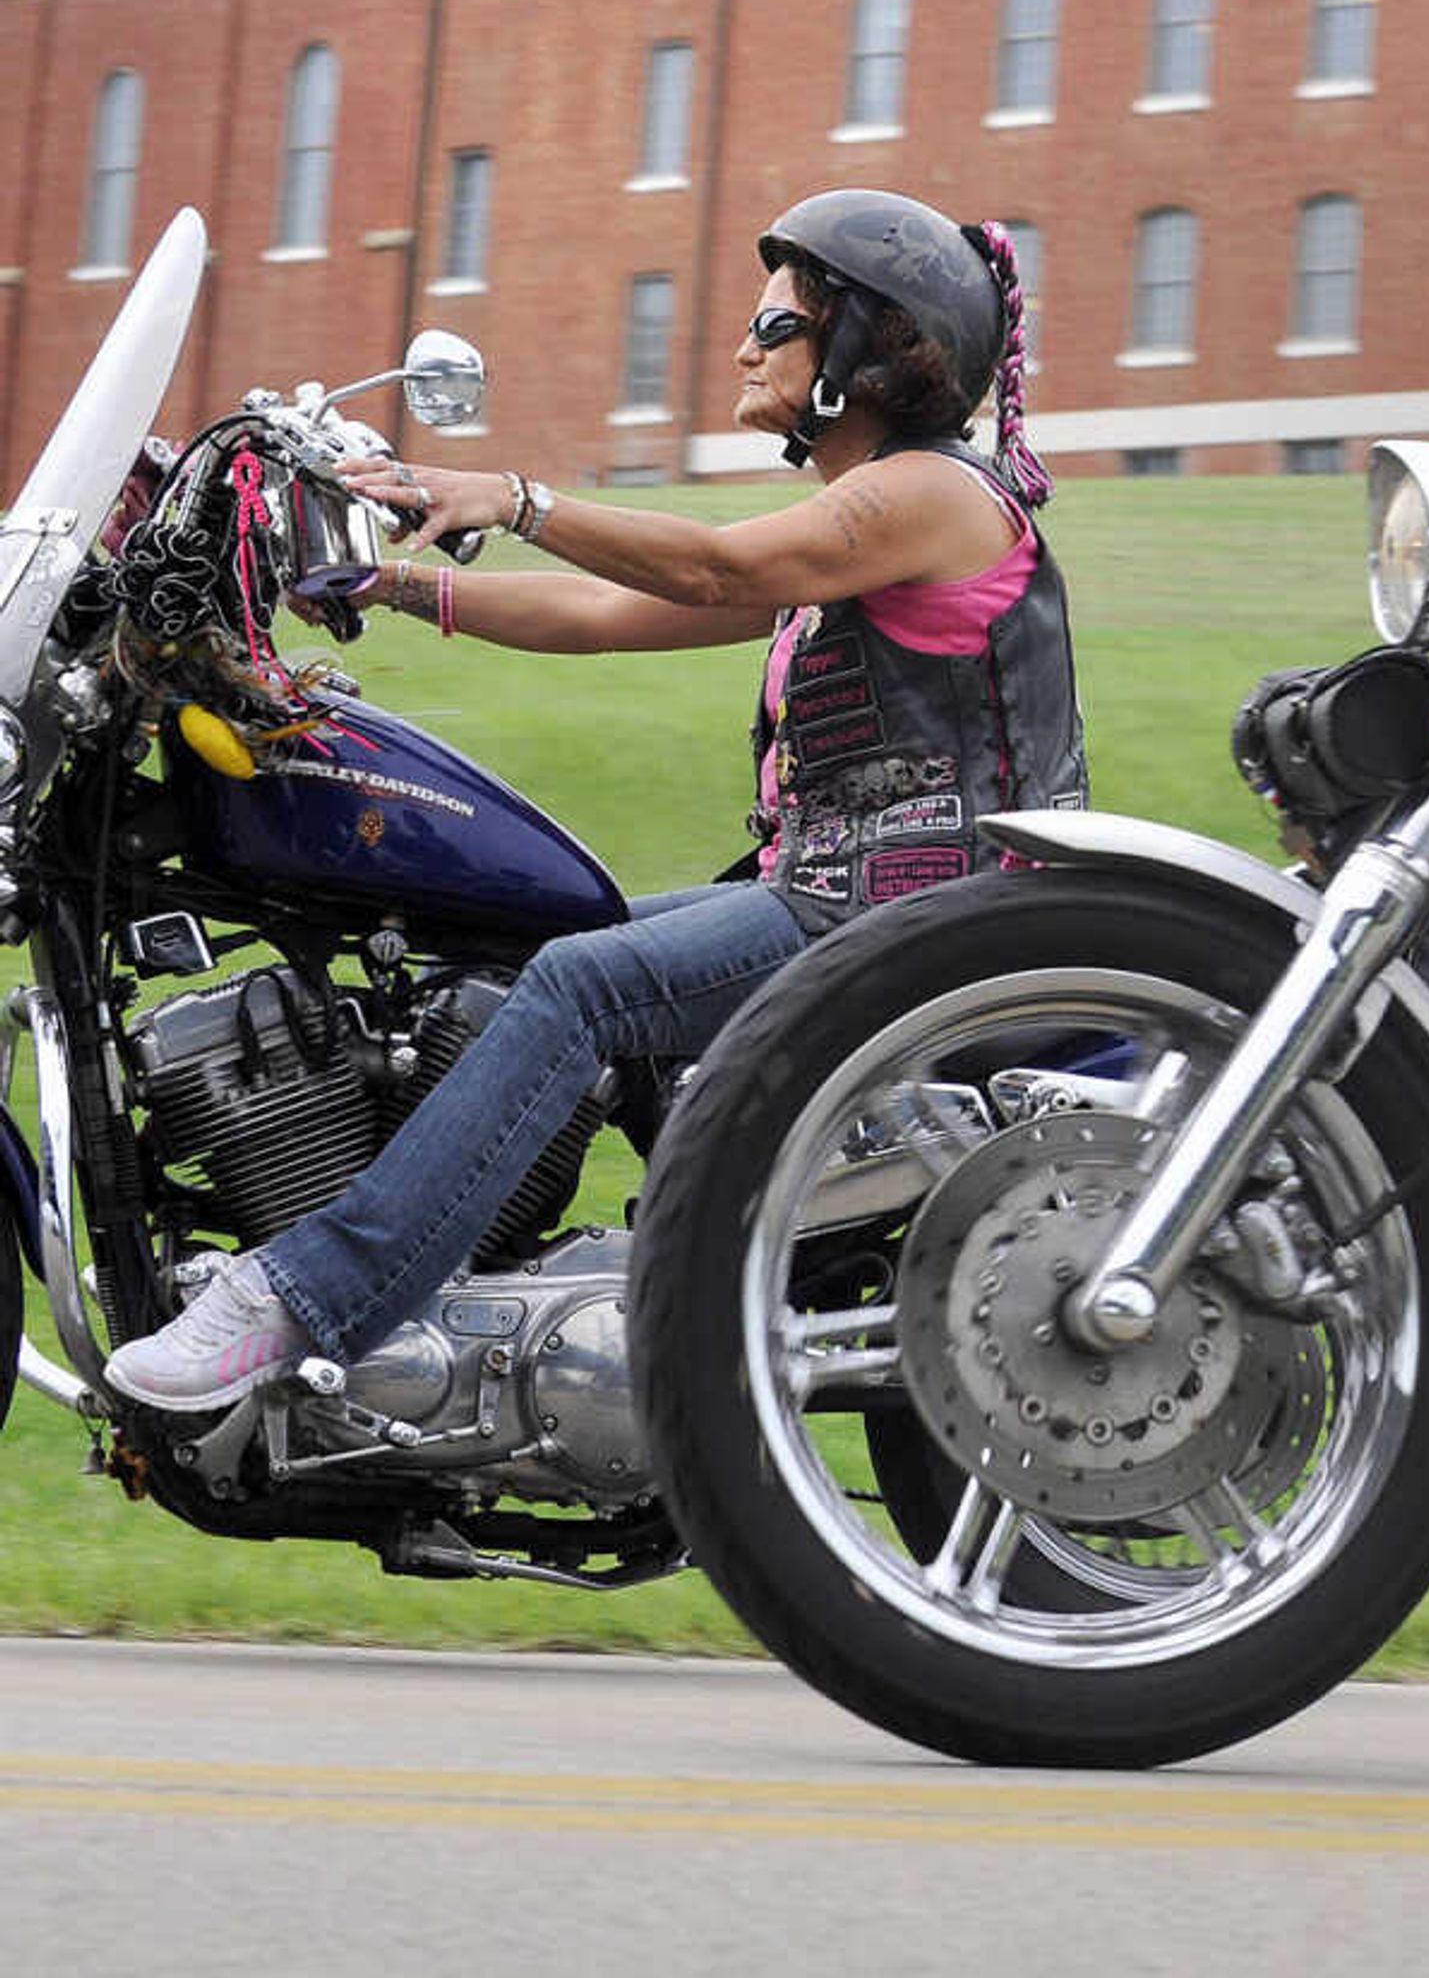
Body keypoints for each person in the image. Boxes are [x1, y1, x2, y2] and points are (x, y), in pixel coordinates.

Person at [107, 189, 1087, 1410]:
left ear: (860, 351)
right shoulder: (861, 535)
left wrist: (514, 497)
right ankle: (604, 1324)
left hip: (930, 904)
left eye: (773, 325)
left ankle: (310, 1299)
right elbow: (615, 617)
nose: (743, 343)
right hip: (848, 894)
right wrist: (396, 584)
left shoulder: (940, 496)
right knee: (541, 943)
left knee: (582, 984)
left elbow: (714, 563)